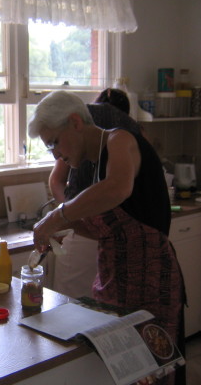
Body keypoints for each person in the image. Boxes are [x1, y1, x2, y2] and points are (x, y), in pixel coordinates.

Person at [29, 90, 185, 385]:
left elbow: (118, 188)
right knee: (114, 370)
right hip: (113, 280)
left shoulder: (120, 141)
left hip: (151, 283)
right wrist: (71, 226)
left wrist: (57, 217)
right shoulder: (93, 162)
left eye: (54, 142)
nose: (55, 154)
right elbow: (111, 231)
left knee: (148, 372)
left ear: (75, 122)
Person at [49, 88, 140, 298]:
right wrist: (69, 214)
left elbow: (57, 180)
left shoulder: (117, 138)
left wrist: (66, 212)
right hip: (114, 235)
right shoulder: (134, 130)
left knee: (73, 306)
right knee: (105, 309)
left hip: (92, 236)